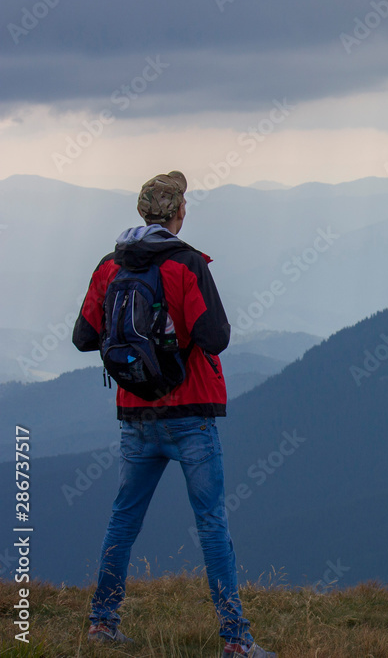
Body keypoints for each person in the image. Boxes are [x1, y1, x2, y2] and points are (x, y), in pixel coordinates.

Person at [72, 171, 277, 658]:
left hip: (135, 416)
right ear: (179, 213)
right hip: (189, 415)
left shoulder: (109, 266)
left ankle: (103, 623)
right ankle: (235, 640)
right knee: (210, 524)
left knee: (123, 519)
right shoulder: (187, 264)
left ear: (142, 211)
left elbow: (84, 337)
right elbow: (215, 337)